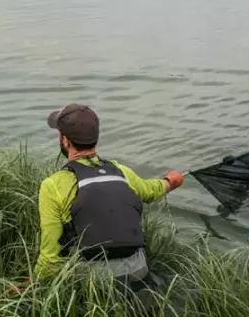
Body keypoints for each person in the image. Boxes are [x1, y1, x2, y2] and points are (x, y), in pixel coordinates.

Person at [33, 103, 184, 296]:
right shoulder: (121, 172)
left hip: (92, 283)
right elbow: (150, 191)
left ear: (65, 141)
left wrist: (34, 285)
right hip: (139, 272)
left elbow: (51, 257)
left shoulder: (52, 186)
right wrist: (170, 181)